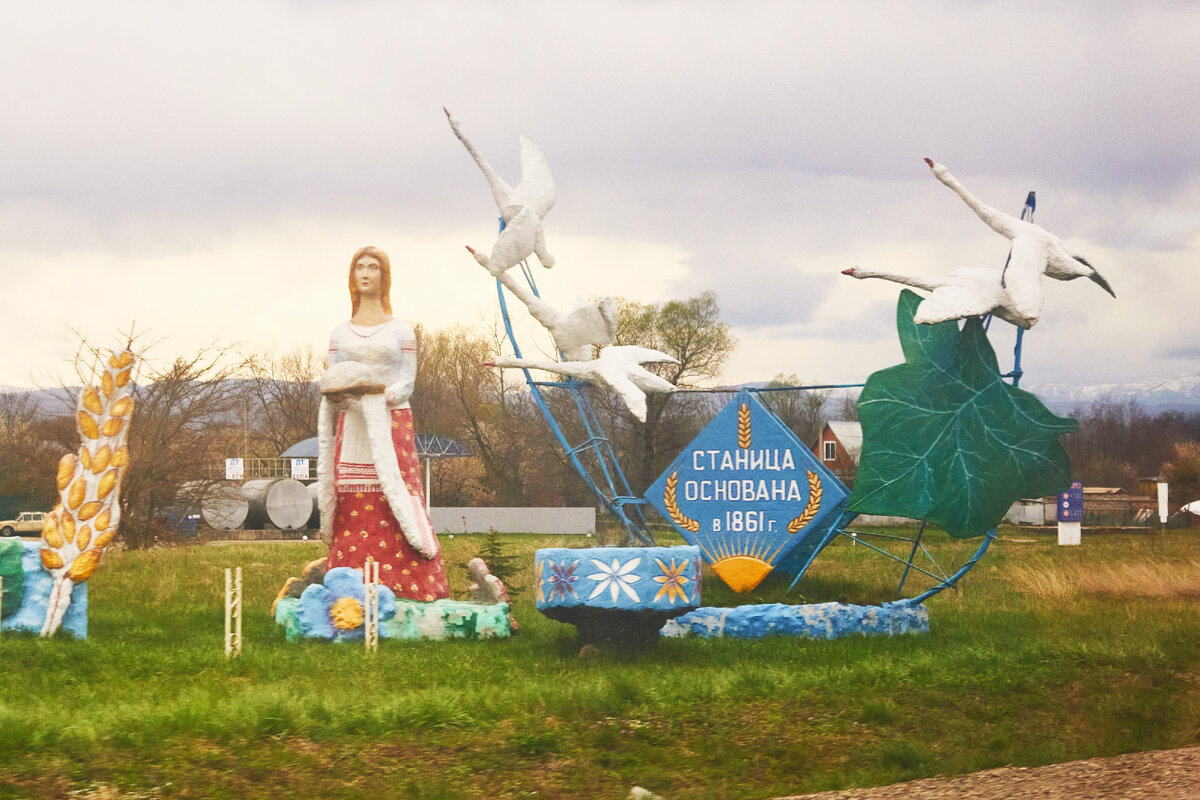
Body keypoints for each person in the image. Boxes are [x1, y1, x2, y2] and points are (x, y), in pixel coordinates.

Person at [316, 246, 449, 601]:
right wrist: (350, 398)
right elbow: (332, 379)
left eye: (373, 267)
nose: (366, 273)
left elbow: (407, 381)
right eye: (359, 267)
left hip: (391, 421)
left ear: (384, 276)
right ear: (351, 276)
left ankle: (407, 581)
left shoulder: (401, 331)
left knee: (397, 490)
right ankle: (347, 576)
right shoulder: (340, 334)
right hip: (353, 424)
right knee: (351, 490)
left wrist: (378, 397)